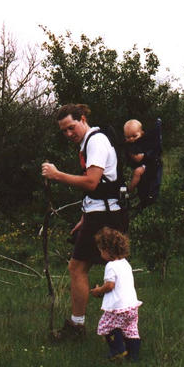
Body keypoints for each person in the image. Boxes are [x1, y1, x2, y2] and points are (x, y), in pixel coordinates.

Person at [41, 103, 128, 340]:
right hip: (100, 212)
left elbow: (91, 182)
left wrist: (57, 175)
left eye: (71, 127)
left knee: (80, 268)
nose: (69, 134)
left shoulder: (96, 142)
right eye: (64, 131)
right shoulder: (88, 142)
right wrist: (84, 217)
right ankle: (122, 327)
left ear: (82, 119)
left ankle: (79, 328)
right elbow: (99, 187)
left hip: (105, 215)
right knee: (113, 268)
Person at [90, 227, 142, 361]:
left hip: (118, 307)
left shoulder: (111, 266)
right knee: (130, 329)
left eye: (101, 251)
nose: (100, 254)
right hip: (132, 306)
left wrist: (98, 290)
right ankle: (133, 356)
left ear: (108, 251)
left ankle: (117, 350)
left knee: (107, 326)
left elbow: (110, 285)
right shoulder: (126, 264)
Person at [123, 118, 163, 209]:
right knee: (140, 180)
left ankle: (129, 189)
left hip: (151, 165)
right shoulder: (129, 145)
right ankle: (137, 197)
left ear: (142, 133)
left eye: (134, 136)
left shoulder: (146, 141)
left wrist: (143, 156)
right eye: (128, 137)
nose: (132, 139)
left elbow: (141, 157)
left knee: (138, 171)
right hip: (144, 165)